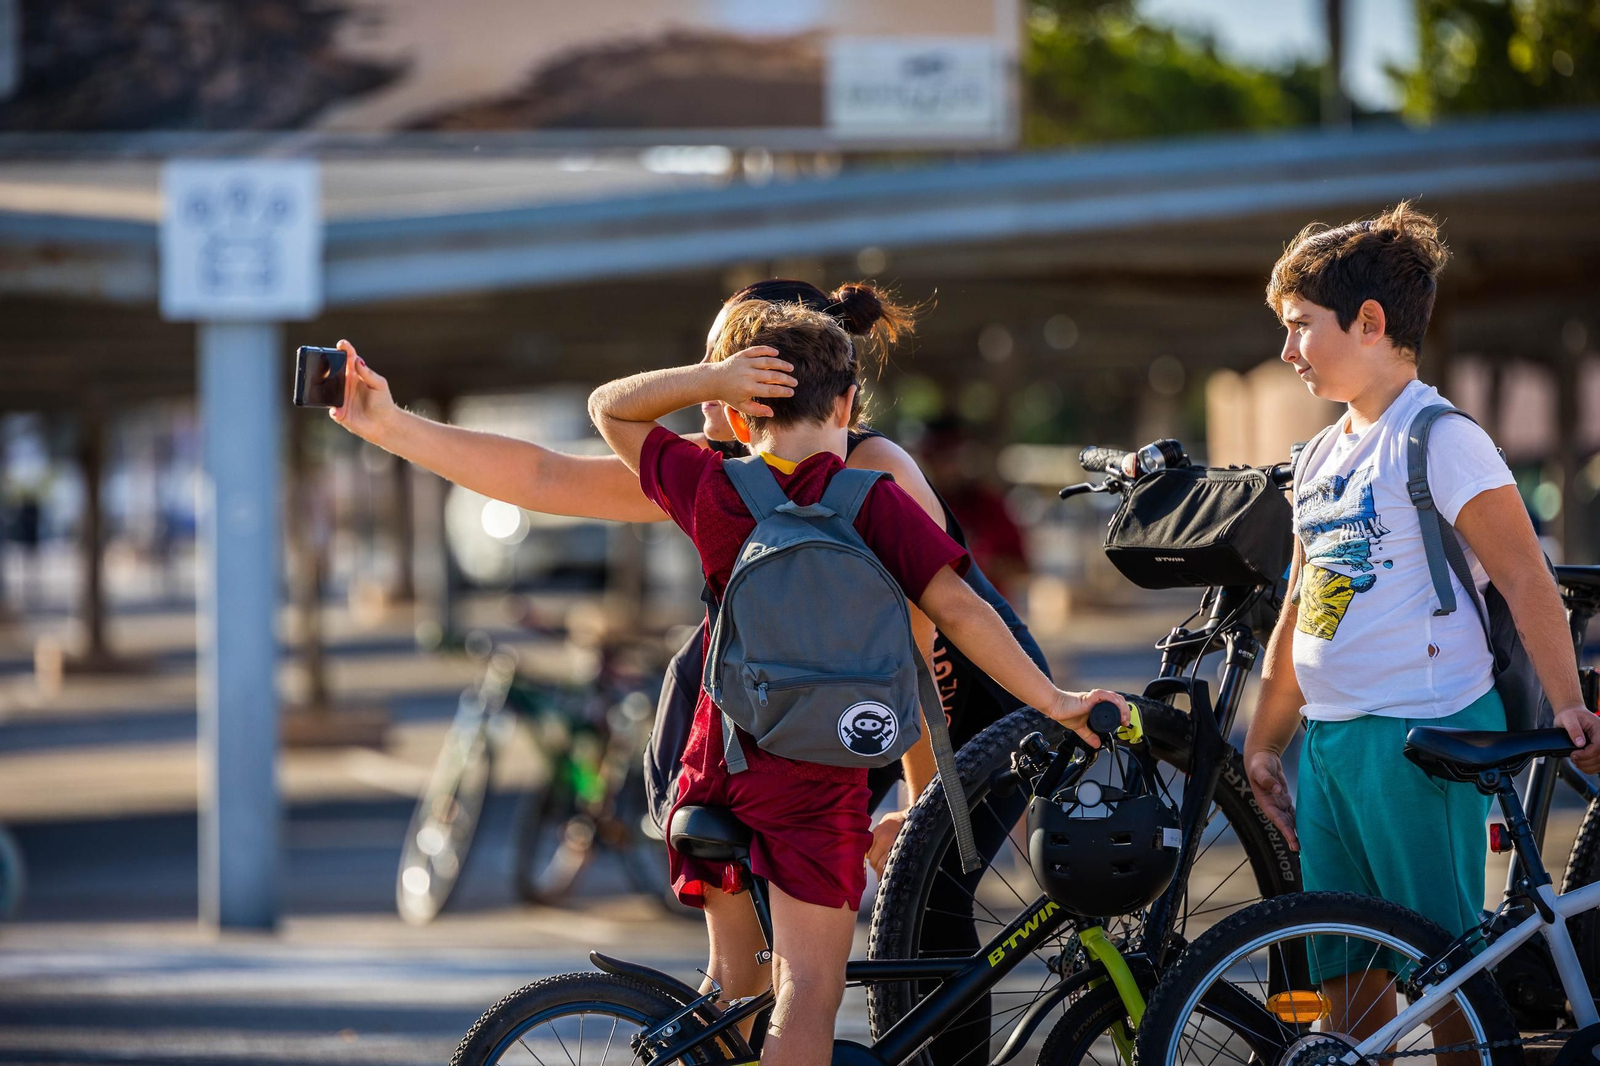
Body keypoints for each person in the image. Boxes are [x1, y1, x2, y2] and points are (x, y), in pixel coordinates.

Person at [330, 278, 1056, 1066]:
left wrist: (919, 812)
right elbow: (544, 477)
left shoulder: (877, 476)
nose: (704, 396)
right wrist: (391, 426)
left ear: (767, 381)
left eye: (717, 369)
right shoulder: (738, 470)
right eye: (708, 372)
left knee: (930, 910)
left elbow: (917, 660)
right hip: (806, 721)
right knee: (771, 979)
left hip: (953, 716)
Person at [587, 297, 1127, 1066]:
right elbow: (962, 614)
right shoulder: (874, 503)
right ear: (847, 404)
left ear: (742, 418)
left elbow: (609, 409)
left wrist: (710, 377)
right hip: (816, 781)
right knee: (808, 991)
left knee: (734, 990)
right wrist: (1056, 702)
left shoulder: (714, 489)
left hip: (714, 771)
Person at [1242, 202, 1600, 1041]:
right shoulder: (1322, 454)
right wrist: (1265, 741)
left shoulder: (1438, 437)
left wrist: (1569, 703)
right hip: (1332, 743)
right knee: (1345, 973)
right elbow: (1304, 604)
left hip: (1424, 733)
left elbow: (1523, 576)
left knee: (1448, 978)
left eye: (1300, 327)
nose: (1286, 349)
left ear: (1369, 323)